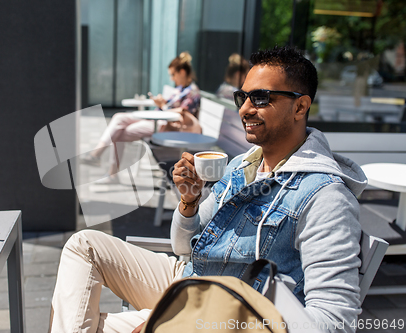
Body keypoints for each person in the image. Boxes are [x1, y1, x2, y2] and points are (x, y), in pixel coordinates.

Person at [50, 46, 366, 333]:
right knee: (84, 244)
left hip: (227, 314)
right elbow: (183, 247)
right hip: (190, 276)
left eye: (261, 98)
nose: (245, 110)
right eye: (242, 98)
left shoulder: (325, 197)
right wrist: (189, 202)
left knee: (77, 323)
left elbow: (334, 322)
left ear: (300, 107)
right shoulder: (242, 165)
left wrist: (184, 323)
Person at [81, 51, 201, 184]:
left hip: (167, 127)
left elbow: (179, 116)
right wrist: (161, 103)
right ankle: (97, 154)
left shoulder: (192, 92)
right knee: (119, 117)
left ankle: (110, 172)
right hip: (157, 119)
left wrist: (164, 106)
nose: (172, 78)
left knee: (119, 133)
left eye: (173, 74)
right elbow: (169, 107)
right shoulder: (179, 89)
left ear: (182, 72)